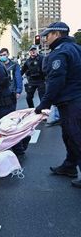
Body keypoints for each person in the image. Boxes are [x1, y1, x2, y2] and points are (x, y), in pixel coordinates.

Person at [34, 22, 81, 188]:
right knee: (69, 135)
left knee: (75, 137)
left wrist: (44, 104)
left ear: (57, 34)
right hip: (75, 99)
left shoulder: (60, 53)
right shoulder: (77, 48)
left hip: (70, 102)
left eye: (48, 34)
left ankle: (73, 167)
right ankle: (69, 166)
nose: (46, 38)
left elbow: (56, 81)